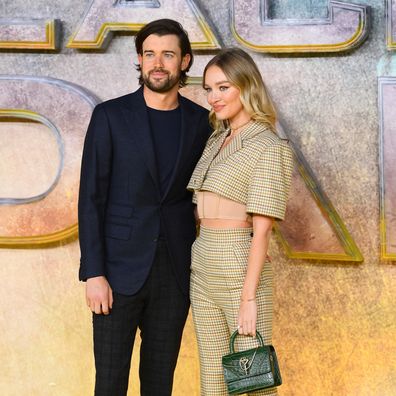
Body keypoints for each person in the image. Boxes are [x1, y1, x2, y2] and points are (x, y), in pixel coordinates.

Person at [78, 19, 211, 396]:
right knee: (109, 384)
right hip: (116, 274)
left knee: (159, 384)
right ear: (139, 59)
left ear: (184, 61)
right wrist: (94, 273)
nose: (157, 62)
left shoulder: (202, 122)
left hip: (175, 273)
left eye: (168, 54)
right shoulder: (110, 116)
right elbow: (91, 199)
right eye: (149, 54)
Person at [187, 48, 294, 395]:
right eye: (208, 89)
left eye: (223, 87)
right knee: (213, 379)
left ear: (246, 87)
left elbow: (262, 230)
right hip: (202, 264)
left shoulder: (268, 145)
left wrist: (249, 297)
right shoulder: (216, 139)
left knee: (253, 381)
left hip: (239, 268)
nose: (213, 97)